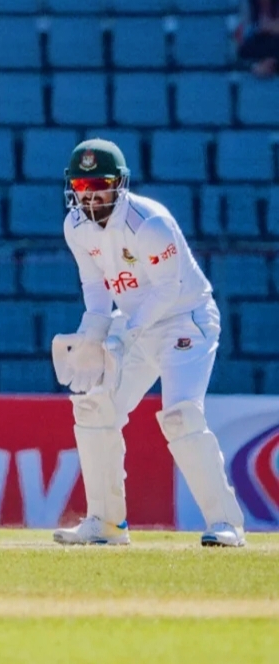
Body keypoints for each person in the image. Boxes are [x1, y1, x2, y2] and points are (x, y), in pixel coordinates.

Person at [51, 138, 246, 547]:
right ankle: (106, 524)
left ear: (119, 184)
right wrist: (92, 333)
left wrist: (124, 337)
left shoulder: (149, 223)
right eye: (83, 187)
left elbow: (167, 290)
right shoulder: (75, 227)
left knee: (180, 415)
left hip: (185, 319)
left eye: (100, 184)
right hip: (136, 321)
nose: (91, 195)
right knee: (93, 406)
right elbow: (95, 286)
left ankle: (226, 524)